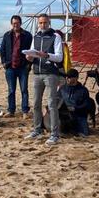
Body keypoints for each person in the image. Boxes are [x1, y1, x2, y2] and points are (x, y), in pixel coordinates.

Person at [24, 15, 64, 146]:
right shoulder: (36, 37)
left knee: (52, 104)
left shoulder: (55, 36)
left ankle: (54, 134)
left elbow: (59, 57)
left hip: (51, 74)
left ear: (49, 23)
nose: (43, 25)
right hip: (37, 73)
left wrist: (47, 55)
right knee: (36, 103)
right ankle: (37, 129)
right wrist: (29, 58)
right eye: (40, 23)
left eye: (45, 23)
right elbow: (32, 54)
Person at [0, 15, 33, 118]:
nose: (15, 25)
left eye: (17, 23)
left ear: (20, 23)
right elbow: (2, 50)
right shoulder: (7, 35)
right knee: (11, 90)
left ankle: (25, 111)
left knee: (24, 90)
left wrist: (28, 65)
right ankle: (11, 110)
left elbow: (32, 51)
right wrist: (4, 62)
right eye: (14, 23)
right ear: (11, 24)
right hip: (10, 67)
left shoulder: (27, 35)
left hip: (23, 68)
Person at [60, 69, 91, 138]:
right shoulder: (62, 88)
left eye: (69, 77)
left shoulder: (83, 90)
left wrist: (75, 108)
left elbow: (86, 104)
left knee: (84, 133)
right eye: (67, 77)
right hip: (64, 115)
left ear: (76, 78)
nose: (67, 79)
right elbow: (56, 100)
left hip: (78, 115)